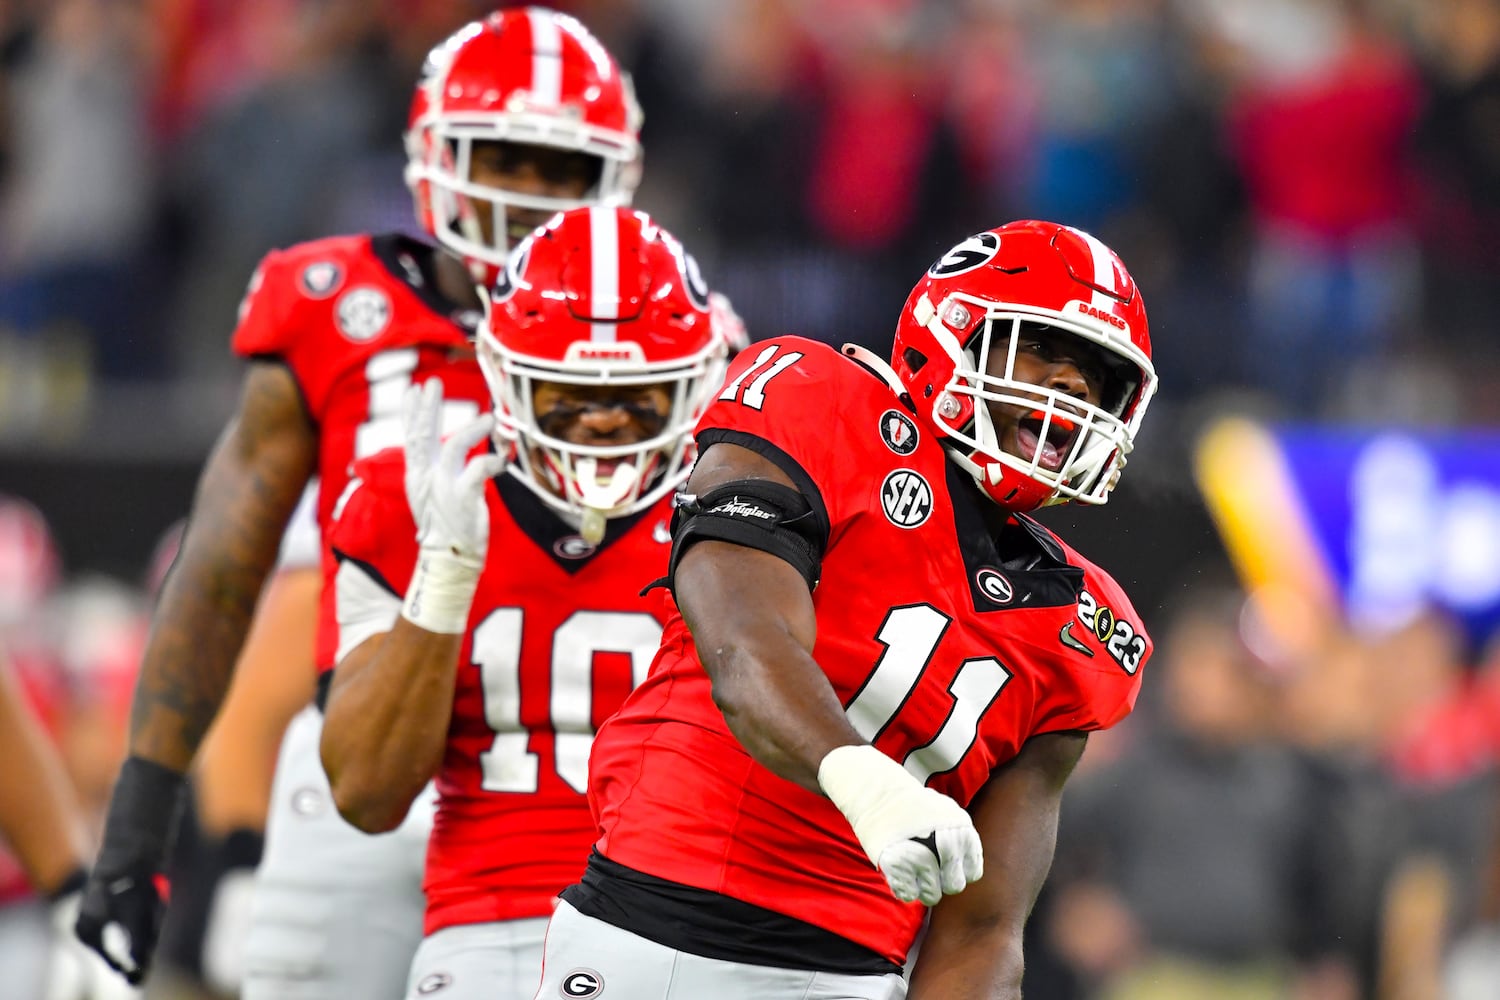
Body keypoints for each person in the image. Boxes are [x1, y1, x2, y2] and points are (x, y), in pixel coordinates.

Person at [74, 9, 645, 995]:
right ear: (434, 150)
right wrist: (142, 823)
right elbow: (221, 573)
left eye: (562, 170)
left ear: (618, 179)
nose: (532, 198)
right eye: (505, 158)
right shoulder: (337, 308)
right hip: (358, 762)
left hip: (562, 785)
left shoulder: (674, 334)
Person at [531, 219, 1161, 1000]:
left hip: (857, 979)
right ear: (950, 337)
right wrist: (861, 775)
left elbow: (984, 930)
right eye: (1042, 349)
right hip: (657, 935)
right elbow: (742, 640)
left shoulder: (1086, 626)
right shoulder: (819, 397)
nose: (1071, 387)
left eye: (1097, 375)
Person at [321, 204, 730, 999]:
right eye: (568, 392)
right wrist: (443, 578)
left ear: (695, 380)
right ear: (506, 376)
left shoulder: (749, 519)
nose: (605, 419)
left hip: (695, 929)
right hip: (487, 927)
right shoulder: (410, 498)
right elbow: (366, 794)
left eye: (639, 393)